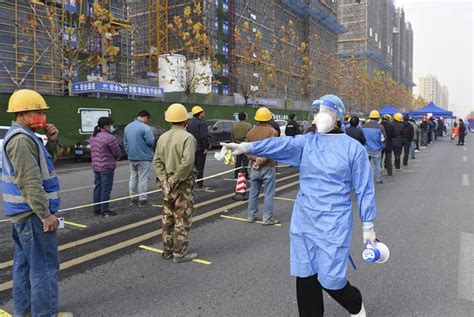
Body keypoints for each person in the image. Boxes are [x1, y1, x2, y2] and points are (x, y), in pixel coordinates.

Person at [223, 94, 377, 317]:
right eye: (317, 112)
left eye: (325, 112)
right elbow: (280, 144)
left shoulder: (354, 149)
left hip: (333, 221)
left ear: (338, 118)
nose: (319, 117)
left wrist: (368, 225)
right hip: (304, 219)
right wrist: (247, 147)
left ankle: (355, 304)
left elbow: (364, 187)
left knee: (331, 279)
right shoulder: (307, 142)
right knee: (305, 276)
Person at [1, 90, 70, 316]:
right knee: (45, 268)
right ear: (22, 114)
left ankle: (26, 312)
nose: (42, 116)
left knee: (24, 266)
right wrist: (45, 215)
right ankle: (46, 313)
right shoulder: (21, 140)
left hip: (23, 214)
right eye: (37, 111)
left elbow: (45, 167)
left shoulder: (26, 136)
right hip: (32, 215)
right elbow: (30, 182)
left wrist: (52, 142)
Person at [153, 103, 198, 263]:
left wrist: (165, 180)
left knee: (168, 218)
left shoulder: (162, 138)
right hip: (182, 184)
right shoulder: (188, 138)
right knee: (182, 218)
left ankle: (167, 250)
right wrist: (175, 179)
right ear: (185, 120)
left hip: (166, 186)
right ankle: (180, 253)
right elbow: (187, 163)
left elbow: (157, 161)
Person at [245, 107, 279, 225]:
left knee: (253, 193)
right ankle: (267, 218)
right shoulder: (273, 132)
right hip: (268, 166)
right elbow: (273, 150)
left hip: (254, 166)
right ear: (269, 118)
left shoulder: (250, 132)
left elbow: (247, 151)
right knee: (269, 193)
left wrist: (256, 160)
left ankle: (251, 216)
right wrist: (263, 160)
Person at [90, 117, 121, 217]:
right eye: (110, 125)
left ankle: (96, 209)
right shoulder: (109, 137)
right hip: (107, 166)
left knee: (98, 187)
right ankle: (105, 210)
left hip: (96, 166)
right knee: (106, 188)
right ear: (106, 125)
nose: (111, 127)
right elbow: (116, 152)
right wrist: (115, 158)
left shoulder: (93, 136)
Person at [124, 110, 155, 207]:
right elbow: (151, 141)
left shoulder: (128, 127)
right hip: (143, 157)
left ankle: (133, 198)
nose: (147, 121)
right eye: (147, 119)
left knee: (133, 178)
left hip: (131, 157)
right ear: (145, 117)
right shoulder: (145, 128)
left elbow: (125, 143)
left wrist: (129, 152)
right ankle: (142, 200)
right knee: (143, 178)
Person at [187, 105, 210, 190]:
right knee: (200, 168)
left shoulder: (189, 123)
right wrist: (206, 147)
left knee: (192, 167)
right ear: (199, 114)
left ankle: (192, 184)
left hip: (192, 148)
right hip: (200, 149)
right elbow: (204, 136)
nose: (204, 113)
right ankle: (199, 185)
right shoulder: (202, 123)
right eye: (203, 112)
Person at [362, 110, 386, 184]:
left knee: (366, 165)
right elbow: (383, 138)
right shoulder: (380, 127)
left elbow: (361, 137)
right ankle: (379, 179)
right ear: (378, 118)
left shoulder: (363, 126)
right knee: (378, 165)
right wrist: (382, 146)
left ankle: (366, 180)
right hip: (377, 149)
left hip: (366, 148)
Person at [231, 112, 252, 179]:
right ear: (245, 117)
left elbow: (232, 136)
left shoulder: (234, 126)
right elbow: (250, 136)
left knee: (238, 161)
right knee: (245, 161)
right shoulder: (248, 125)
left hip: (237, 145)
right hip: (245, 145)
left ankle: (236, 175)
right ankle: (245, 175)